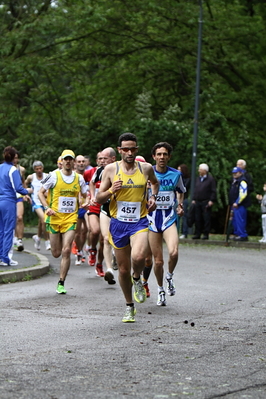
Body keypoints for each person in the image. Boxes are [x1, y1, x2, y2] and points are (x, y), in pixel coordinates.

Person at [96, 133, 159, 322]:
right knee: (123, 270)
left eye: (133, 149)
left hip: (139, 221)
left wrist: (153, 197)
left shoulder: (146, 169)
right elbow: (98, 198)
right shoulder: (110, 170)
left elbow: (155, 184)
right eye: (126, 149)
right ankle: (129, 306)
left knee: (139, 256)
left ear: (137, 150)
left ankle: (138, 277)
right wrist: (110, 191)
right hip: (118, 223)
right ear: (120, 150)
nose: (129, 152)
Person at [38, 149, 89, 294]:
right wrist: (46, 207)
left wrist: (85, 202)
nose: (67, 161)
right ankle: (58, 248)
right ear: (61, 161)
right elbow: (40, 192)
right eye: (65, 159)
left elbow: (85, 195)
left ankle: (61, 282)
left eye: (70, 159)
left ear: (73, 162)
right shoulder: (53, 175)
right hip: (54, 217)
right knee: (56, 253)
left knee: (66, 250)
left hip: (70, 218)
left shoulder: (79, 178)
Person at [147, 142, 186, 306]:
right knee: (158, 261)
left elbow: (181, 191)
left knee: (174, 252)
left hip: (169, 218)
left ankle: (169, 276)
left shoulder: (176, 174)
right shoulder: (147, 174)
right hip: (152, 219)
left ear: (169, 156)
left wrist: (180, 205)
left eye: (165, 154)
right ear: (154, 157)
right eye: (159, 154)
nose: (162, 157)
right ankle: (160, 289)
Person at [0, 146, 31, 266]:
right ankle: (6, 258)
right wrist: (29, 191)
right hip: (8, 202)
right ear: (14, 158)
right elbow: (18, 188)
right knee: (8, 230)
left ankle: (0, 255)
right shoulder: (13, 170)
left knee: (0, 230)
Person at [97, 147, 117, 284]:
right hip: (105, 208)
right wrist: (94, 197)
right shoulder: (99, 171)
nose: (102, 161)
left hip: (120, 210)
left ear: (113, 159)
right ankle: (109, 269)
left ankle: (116, 257)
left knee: (117, 240)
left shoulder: (121, 170)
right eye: (101, 158)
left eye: (105, 158)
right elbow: (95, 187)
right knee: (105, 238)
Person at [25, 161, 51, 251]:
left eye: (40, 168)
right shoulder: (31, 177)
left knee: (41, 221)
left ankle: (38, 237)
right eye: (37, 169)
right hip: (35, 202)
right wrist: (26, 194)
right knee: (44, 219)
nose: (39, 170)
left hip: (45, 201)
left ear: (42, 168)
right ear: (34, 170)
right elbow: (24, 184)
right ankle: (47, 241)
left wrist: (48, 194)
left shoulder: (47, 176)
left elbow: (51, 187)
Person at [192, 163, 216, 240]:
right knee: (197, 218)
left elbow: (213, 190)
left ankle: (206, 234)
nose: (199, 171)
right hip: (198, 201)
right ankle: (197, 233)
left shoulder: (210, 179)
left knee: (206, 218)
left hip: (206, 201)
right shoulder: (198, 179)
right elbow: (196, 189)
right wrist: (194, 198)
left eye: (200, 169)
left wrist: (212, 200)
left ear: (205, 171)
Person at [73, 155, 89, 265]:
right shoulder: (73, 175)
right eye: (79, 161)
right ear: (75, 163)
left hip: (87, 205)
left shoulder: (89, 174)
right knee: (77, 233)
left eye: (83, 161)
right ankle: (78, 250)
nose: (81, 163)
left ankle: (82, 249)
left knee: (87, 230)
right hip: (76, 207)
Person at [229, 166, 250, 241]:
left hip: (240, 205)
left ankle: (242, 235)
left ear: (240, 173)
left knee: (240, 220)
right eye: (233, 173)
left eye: (236, 173)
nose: (234, 174)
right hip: (234, 204)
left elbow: (243, 193)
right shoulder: (235, 181)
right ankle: (237, 233)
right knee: (235, 220)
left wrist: (237, 202)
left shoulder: (242, 181)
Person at [13, 151, 26, 251]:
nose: (15, 160)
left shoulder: (21, 170)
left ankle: (20, 240)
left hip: (18, 195)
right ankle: (13, 239)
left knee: (20, 217)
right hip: (8, 196)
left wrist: (26, 194)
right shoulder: (4, 169)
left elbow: (23, 183)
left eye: (17, 158)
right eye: (14, 158)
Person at [178, 164, 191, 239]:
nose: (178, 171)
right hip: (177, 199)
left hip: (184, 199)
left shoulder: (187, 179)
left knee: (184, 217)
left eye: (180, 169)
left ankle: (184, 232)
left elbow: (183, 188)